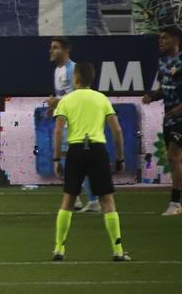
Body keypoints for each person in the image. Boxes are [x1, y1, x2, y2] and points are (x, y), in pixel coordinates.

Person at [51, 61, 131, 261]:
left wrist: (56, 158)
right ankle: (118, 251)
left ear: (75, 78)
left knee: (68, 199)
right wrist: (120, 157)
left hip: (76, 150)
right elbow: (117, 130)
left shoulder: (66, 101)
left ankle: (59, 249)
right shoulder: (101, 99)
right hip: (97, 150)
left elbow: (59, 131)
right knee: (107, 200)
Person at [45, 37, 99, 212]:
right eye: (51, 48)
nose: (51, 51)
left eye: (55, 48)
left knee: (76, 161)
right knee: (69, 160)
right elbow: (64, 97)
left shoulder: (72, 69)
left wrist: (56, 101)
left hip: (77, 123)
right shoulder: (57, 70)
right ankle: (78, 199)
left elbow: (79, 96)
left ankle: (93, 200)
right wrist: (54, 107)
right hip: (66, 120)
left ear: (66, 50)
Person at [142, 25, 182, 216]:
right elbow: (164, 89)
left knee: (174, 157)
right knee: (174, 159)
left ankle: (175, 203)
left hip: (180, 116)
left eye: (165, 38)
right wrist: (152, 95)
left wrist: (178, 109)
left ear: (176, 40)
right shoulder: (162, 63)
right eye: (160, 38)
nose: (161, 41)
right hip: (169, 117)